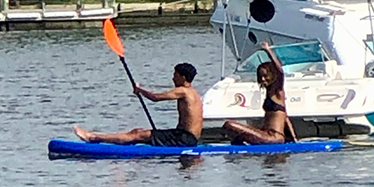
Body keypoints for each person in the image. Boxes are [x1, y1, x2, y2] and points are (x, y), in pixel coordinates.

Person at [73, 63, 203, 146]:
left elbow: (154, 98)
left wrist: (140, 89)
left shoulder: (182, 91)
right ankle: (116, 141)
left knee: (137, 134)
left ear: (183, 78)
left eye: (175, 75)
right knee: (138, 132)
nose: (173, 78)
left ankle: (92, 137)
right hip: (188, 137)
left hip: (183, 139)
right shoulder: (194, 93)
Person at [223, 44, 298, 144]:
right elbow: (285, 117)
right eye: (260, 76)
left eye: (265, 76)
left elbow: (280, 72)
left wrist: (268, 51)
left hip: (273, 137)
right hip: (267, 135)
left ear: (272, 75)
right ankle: (239, 151)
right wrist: (293, 139)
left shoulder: (278, 91)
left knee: (229, 124)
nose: (263, 79)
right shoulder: (270, 93)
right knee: (236, 135)